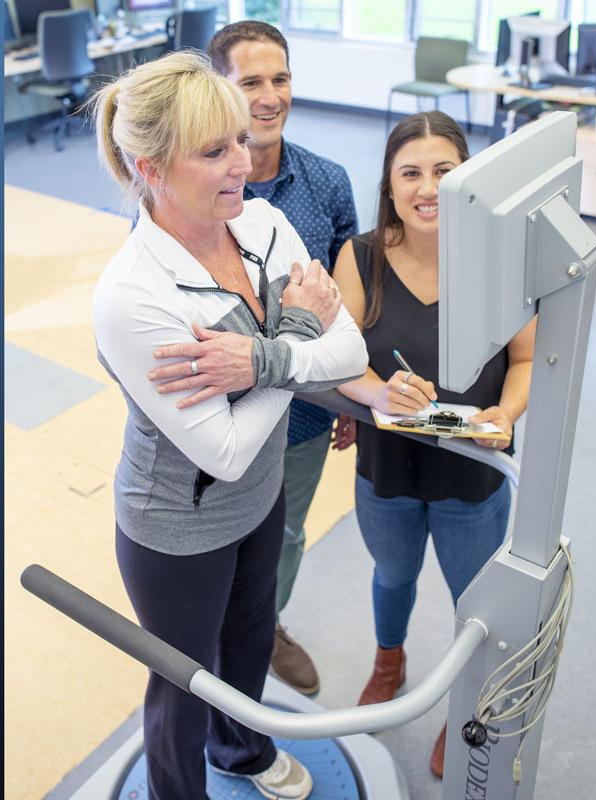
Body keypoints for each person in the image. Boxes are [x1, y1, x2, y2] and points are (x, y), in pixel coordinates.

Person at [86, 52, 367, 800]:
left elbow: (353, 350)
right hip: (175, 524)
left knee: (248, 641)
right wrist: (298, 341)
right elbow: (228, 447)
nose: (245, 161)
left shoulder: (263, 224)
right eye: (216, 151)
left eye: (242, 141)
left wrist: (263, 361)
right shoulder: (132, 296)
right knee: (182, 684)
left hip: (262, 496)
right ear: (149, 167)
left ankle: (241, 754)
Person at [328, 111, 537, 780]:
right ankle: (389, 662)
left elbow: (528, 359)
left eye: (444, 172)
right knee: (393, 575)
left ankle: (467, 704)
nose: (427, 188)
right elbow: (339, 363)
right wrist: (377, 393)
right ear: (388, 186)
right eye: (409, 173)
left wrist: (505, 410)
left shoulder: (502, 262)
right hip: (385, 468)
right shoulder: (359, 258)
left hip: (472, 474)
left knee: (475, 606)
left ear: (468, 179)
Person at [204, 19, 358, 697]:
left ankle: (266, 628)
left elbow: (351, 306)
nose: (269, 97)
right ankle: (219, 642)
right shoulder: (189, 191)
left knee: (287, 536)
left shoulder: (327, 184)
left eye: (281, 79)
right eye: (250, 83)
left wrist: (354, 389)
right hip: (213, 417)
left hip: (304, 416)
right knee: (213, 551)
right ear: (218, 92)